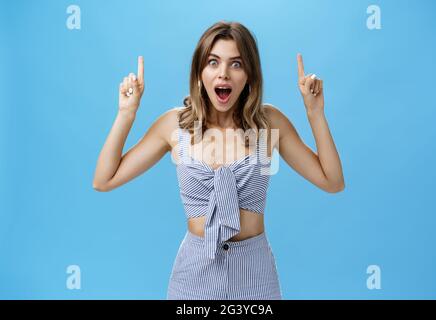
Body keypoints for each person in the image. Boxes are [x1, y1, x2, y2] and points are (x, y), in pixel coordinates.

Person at [93, 21, 345, 300]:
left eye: (236, 64)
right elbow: (104, 180)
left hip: (255, 275)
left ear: (249, 75)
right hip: (193, 275)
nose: (223, 74)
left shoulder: (268, 123)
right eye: (213, 62)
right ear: (200, 72)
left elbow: (332, 181)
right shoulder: (174, 126)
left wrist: (315, 113)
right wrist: (126, 114)